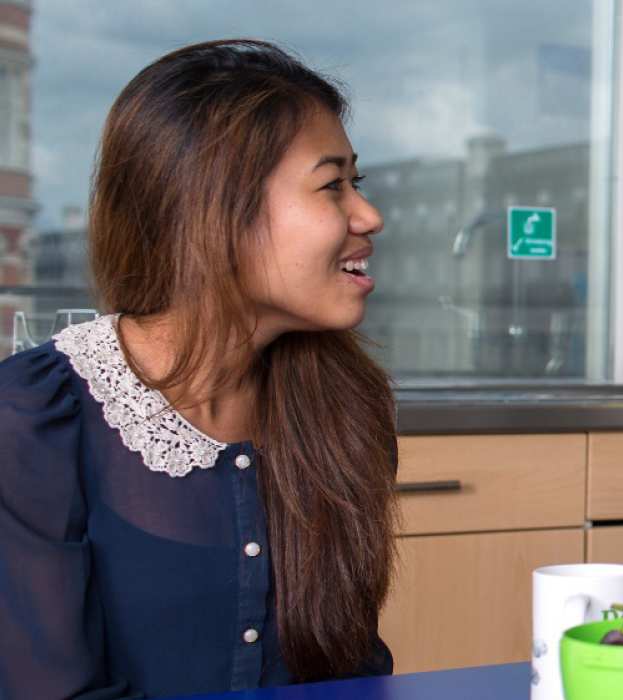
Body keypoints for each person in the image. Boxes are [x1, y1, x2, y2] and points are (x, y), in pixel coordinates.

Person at [0, 40, 397, 697]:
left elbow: (351, 675)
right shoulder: (33, 419)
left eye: (358, 183)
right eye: (333, 185)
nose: (368, 215)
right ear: (218, 210)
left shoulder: (344, 407)